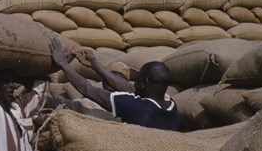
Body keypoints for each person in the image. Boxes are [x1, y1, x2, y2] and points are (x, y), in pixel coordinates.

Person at [50, 38, 179, 130]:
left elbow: (88, 89)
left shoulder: (136, 107)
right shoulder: (171, 106)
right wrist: (95, 64)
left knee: (76, 106)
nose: (133, 83)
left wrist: (63, 63)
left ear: (145, 82)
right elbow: (129, 88)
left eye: (137, 79)